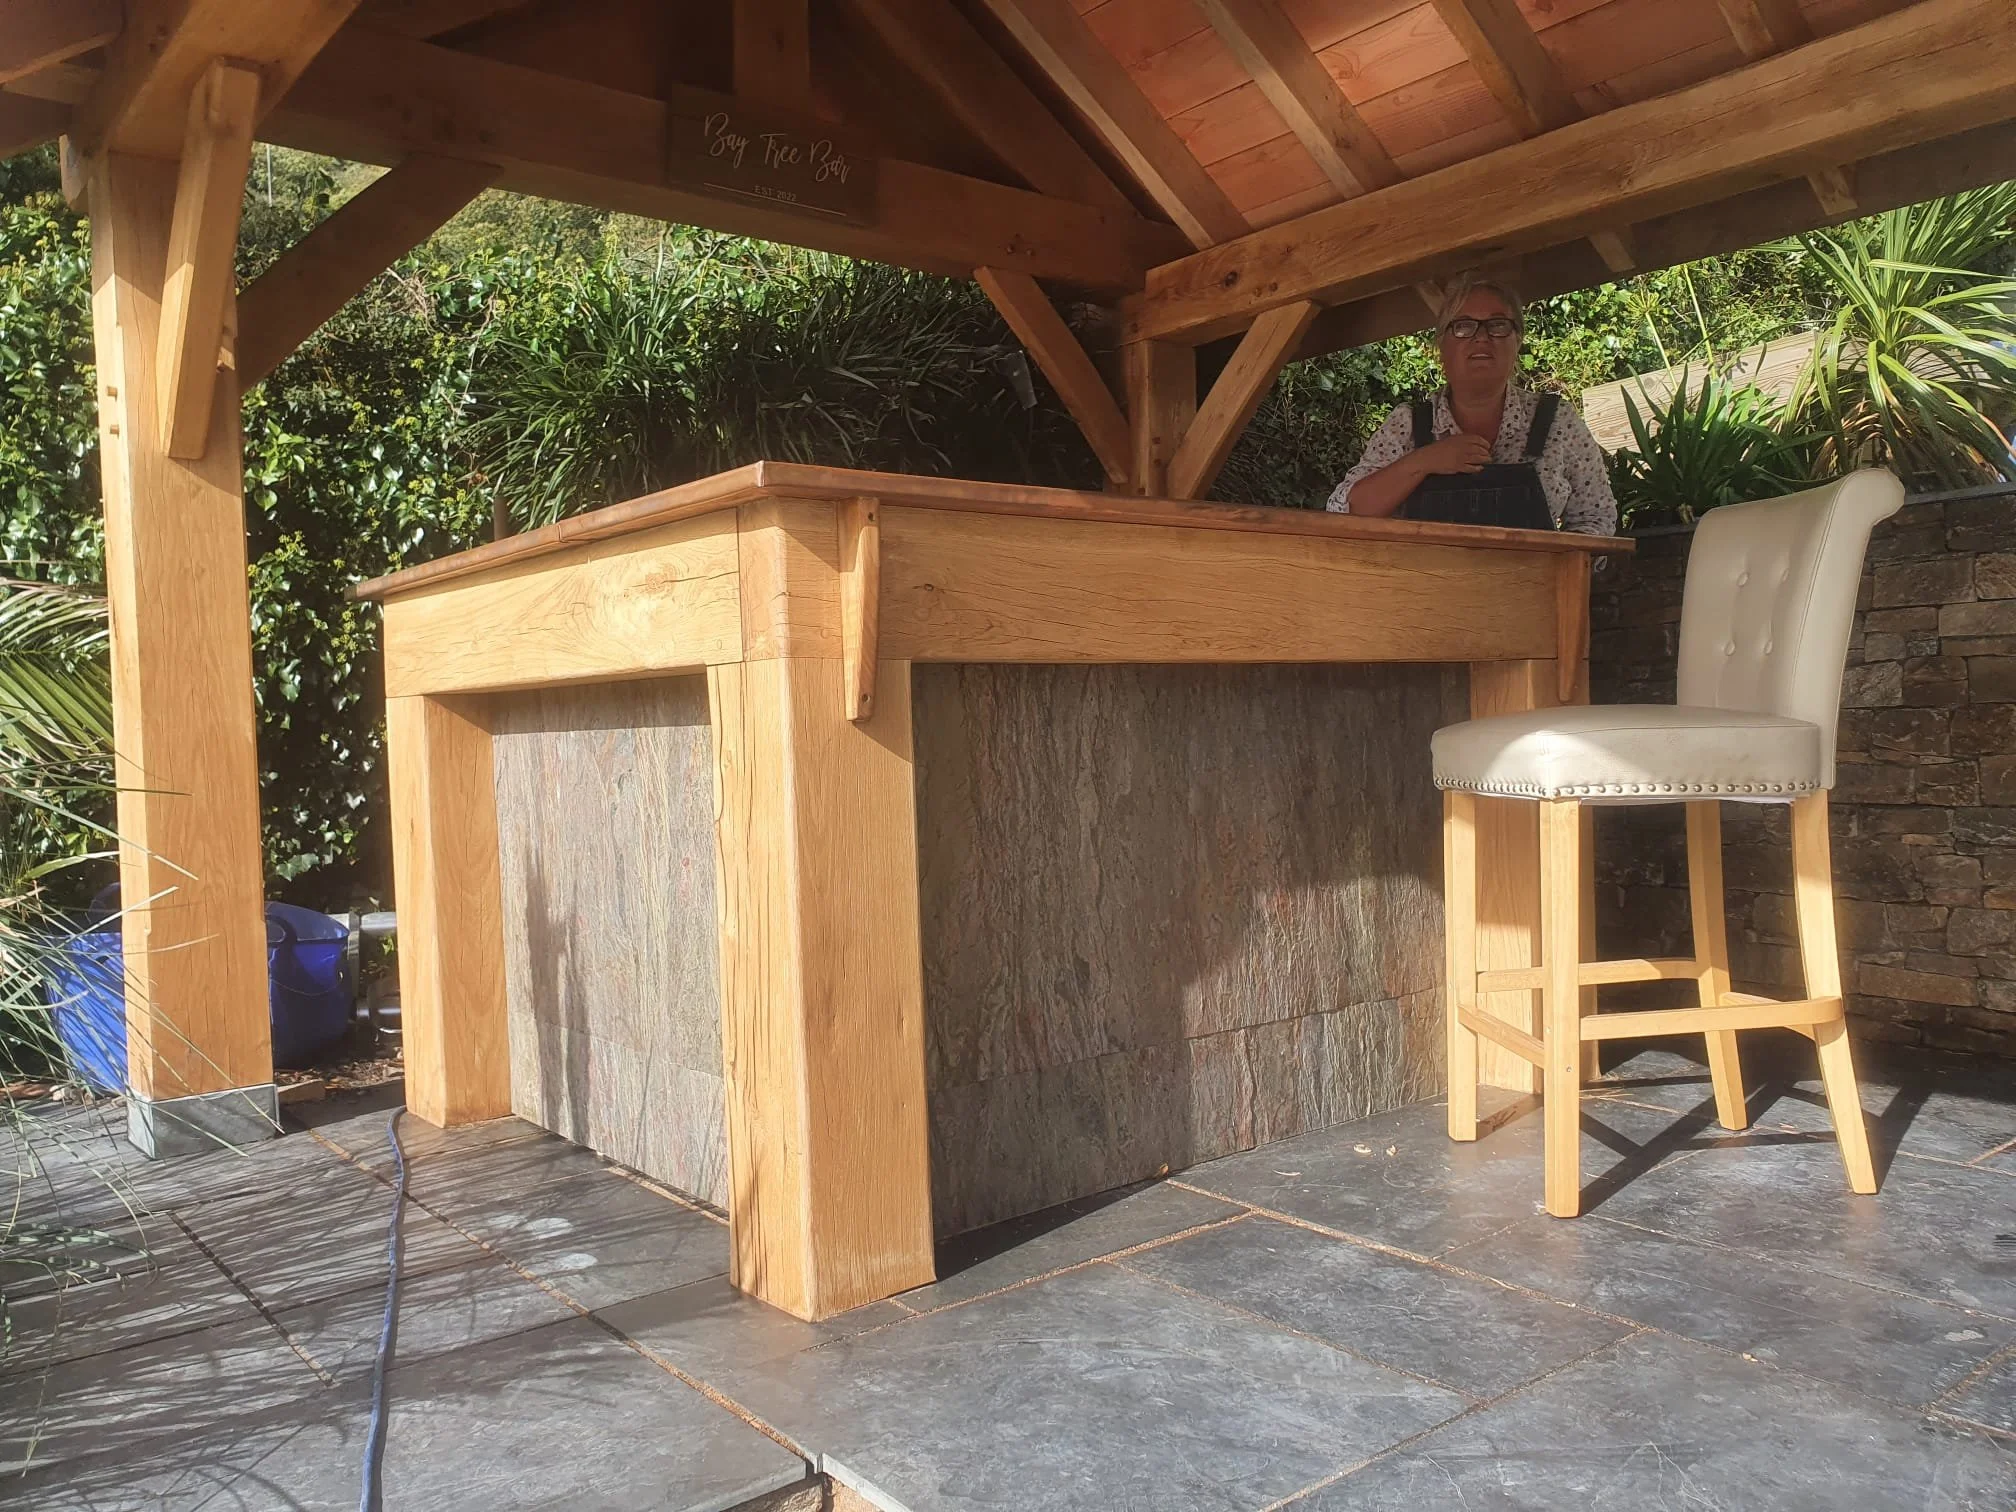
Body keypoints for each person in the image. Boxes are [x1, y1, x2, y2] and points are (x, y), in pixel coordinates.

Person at [1327, 275, 1618, 536]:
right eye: (1463, 327)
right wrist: (1424, 462)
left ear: (1518, 341)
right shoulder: (1409, 425)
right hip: (1426, 594)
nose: (1482, 337)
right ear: (1442, 347)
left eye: (1498, 325)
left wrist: (1559, 570)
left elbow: (1596, 516)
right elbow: (1345, 512)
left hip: (1530, 592)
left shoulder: (1557, 420)